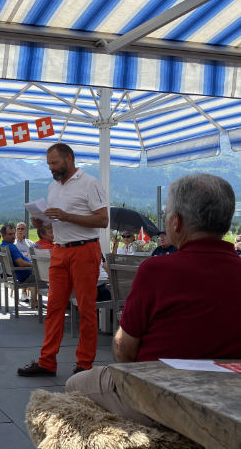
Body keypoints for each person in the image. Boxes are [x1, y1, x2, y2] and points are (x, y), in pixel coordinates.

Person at [67, 174, 241, 424]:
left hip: (160, 399)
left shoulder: (156, 270)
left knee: (75, 384)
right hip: (228, 399)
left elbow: (125, 350)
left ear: (177, 222)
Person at [18, 143, 108, 377]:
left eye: (54, 163)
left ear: (69, 159)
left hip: (85, 251)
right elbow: (57, 221)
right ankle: (47, 362)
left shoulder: (90, 183)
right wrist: (42, 222)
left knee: (86, 310)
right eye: (48, 164)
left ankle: (85, 364)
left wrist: (67, 216)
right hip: (59, 250)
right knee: (54, 308)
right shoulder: (53, 187)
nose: (51, 168)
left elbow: (102, 220)